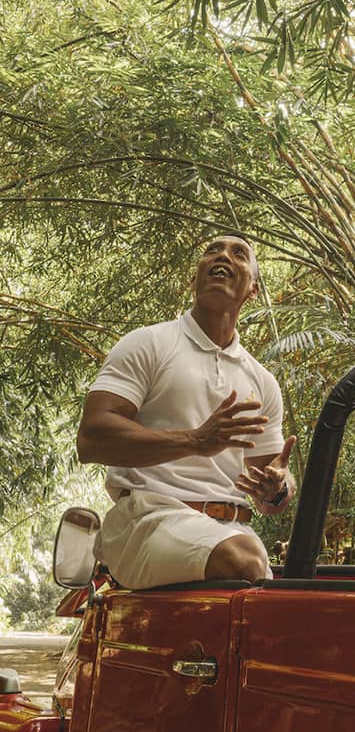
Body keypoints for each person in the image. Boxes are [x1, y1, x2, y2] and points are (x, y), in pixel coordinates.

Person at [77, 233, 296, 588]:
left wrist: (278, 488)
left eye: (239, 254)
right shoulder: (148, 343)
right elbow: (91, 438)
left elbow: (270, 491)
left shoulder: (262, 381)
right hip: (148, 521)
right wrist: (193, 440)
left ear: (252, 290)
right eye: (213, 250)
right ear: (194, 278)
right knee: (245, 561)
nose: (222, 256)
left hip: (231, 530)